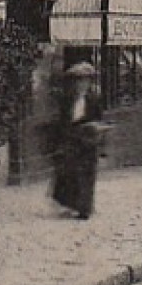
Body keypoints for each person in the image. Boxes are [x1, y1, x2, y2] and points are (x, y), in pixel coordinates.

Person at [51, 61, 103, 220]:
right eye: (78, 81)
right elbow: (62, 120)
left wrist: (94, 128)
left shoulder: (94, 99)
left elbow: (99, 118)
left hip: (88, 139)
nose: (81, 84)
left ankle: (85, 208)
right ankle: (72, 203)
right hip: (72, 139)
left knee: (87, 173)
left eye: (85, 81)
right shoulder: (67, 99)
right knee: (71, 172)